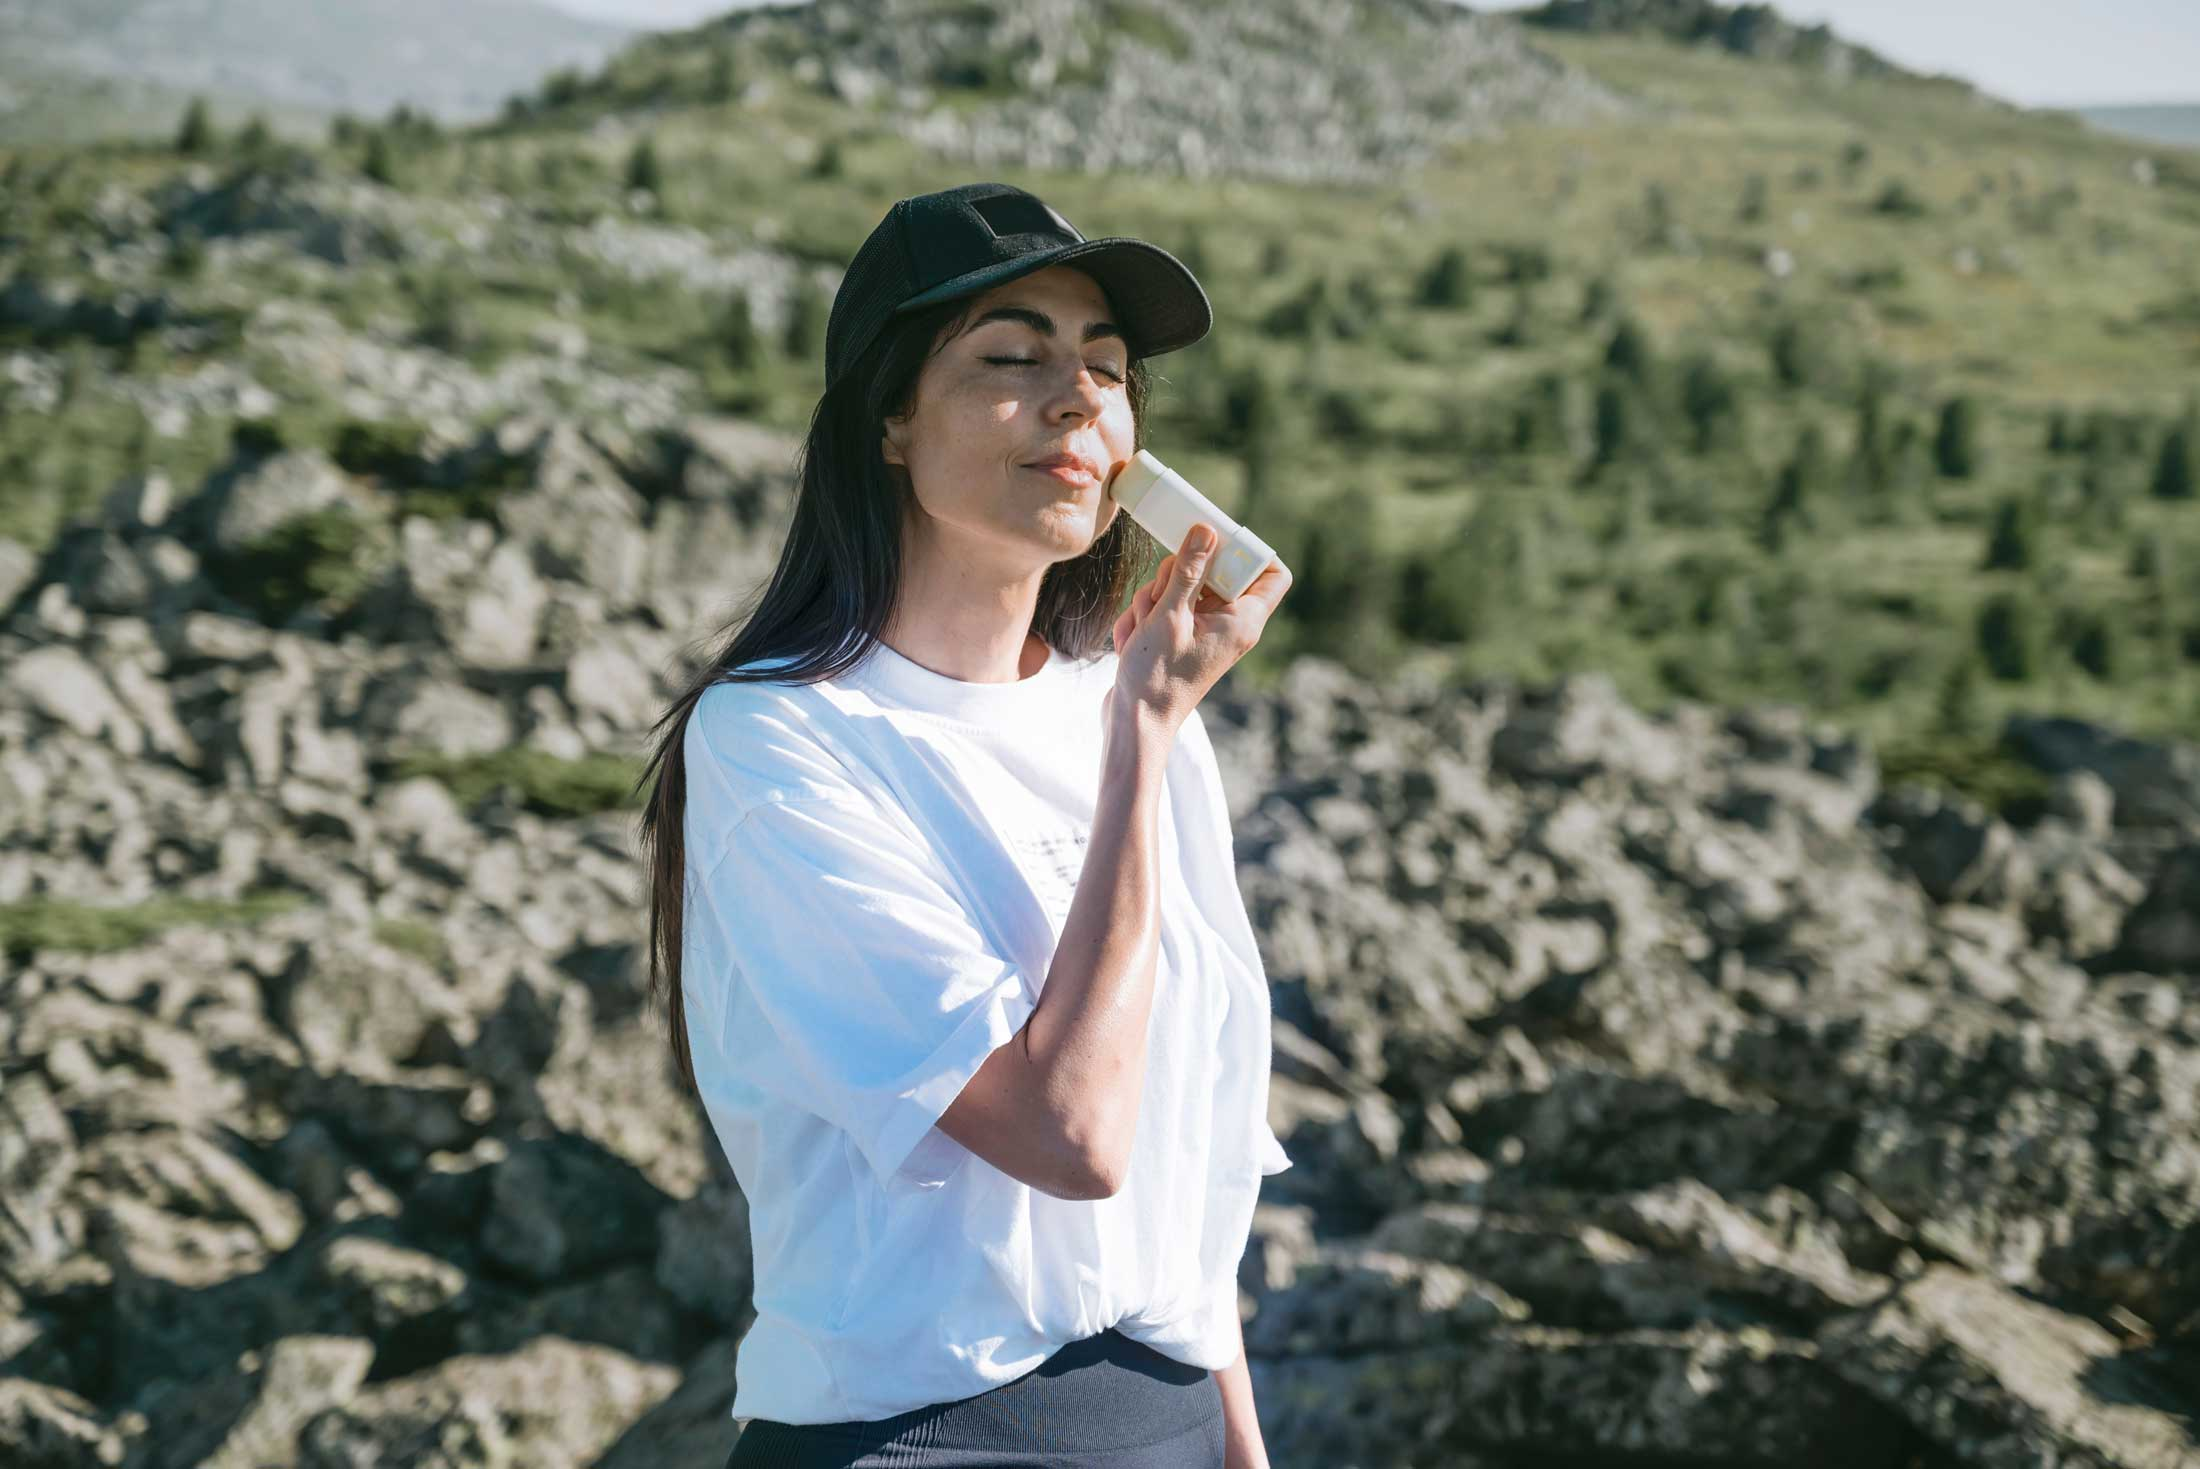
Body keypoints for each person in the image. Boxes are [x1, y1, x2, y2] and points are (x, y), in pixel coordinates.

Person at [632, 181, 1296, 1468]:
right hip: (920, 1438)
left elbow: (1189, 1157)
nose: (1076, 399)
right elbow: (1069, 1133)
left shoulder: (1131, 701)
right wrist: (1141, 741)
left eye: (1106, 368)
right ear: (890, 418)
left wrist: (1237, 1440)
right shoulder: (781, 740)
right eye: (1011, 357)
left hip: (1163, 1426)